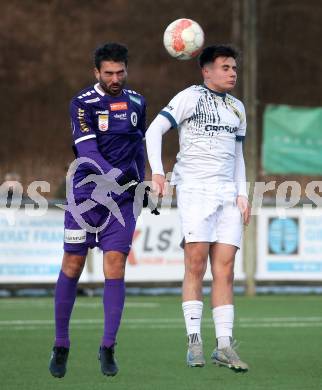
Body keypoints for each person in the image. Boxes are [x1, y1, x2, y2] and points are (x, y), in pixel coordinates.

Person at [145, 45, 250, 371]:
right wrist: (158, 172)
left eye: (234, 67)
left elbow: (239, 156)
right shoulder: (189, 97)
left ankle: (223, 346)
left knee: (227, 269)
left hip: (227, 193)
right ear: (206, 71)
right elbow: (153, 131)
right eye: (225, 67)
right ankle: (194, 341)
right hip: (195, 189)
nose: (232, 72)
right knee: (195, 263)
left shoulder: (237, 108)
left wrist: (243, 193)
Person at [49, 42, 146, 378]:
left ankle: (108, 346)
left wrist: (141, 182)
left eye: (120, 72)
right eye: (109, 73)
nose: (115, 78)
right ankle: (61, 344)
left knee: (115, 264)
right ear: (97, 73)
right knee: (73, 263)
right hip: (84, 197)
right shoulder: (82, 103)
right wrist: (121, 179)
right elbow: (88, 152)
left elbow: (139, 147)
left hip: (122, 201)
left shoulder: (137, 102)